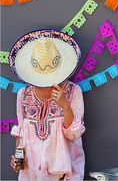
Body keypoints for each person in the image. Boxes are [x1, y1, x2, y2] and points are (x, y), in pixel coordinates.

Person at [9, 30, 85, 180]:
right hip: (31, 175)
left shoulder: (73, 91)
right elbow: (22, 133)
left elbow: (73, 134)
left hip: (66, 175)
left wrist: (65, 106)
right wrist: (18, 159)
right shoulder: (23, 94)